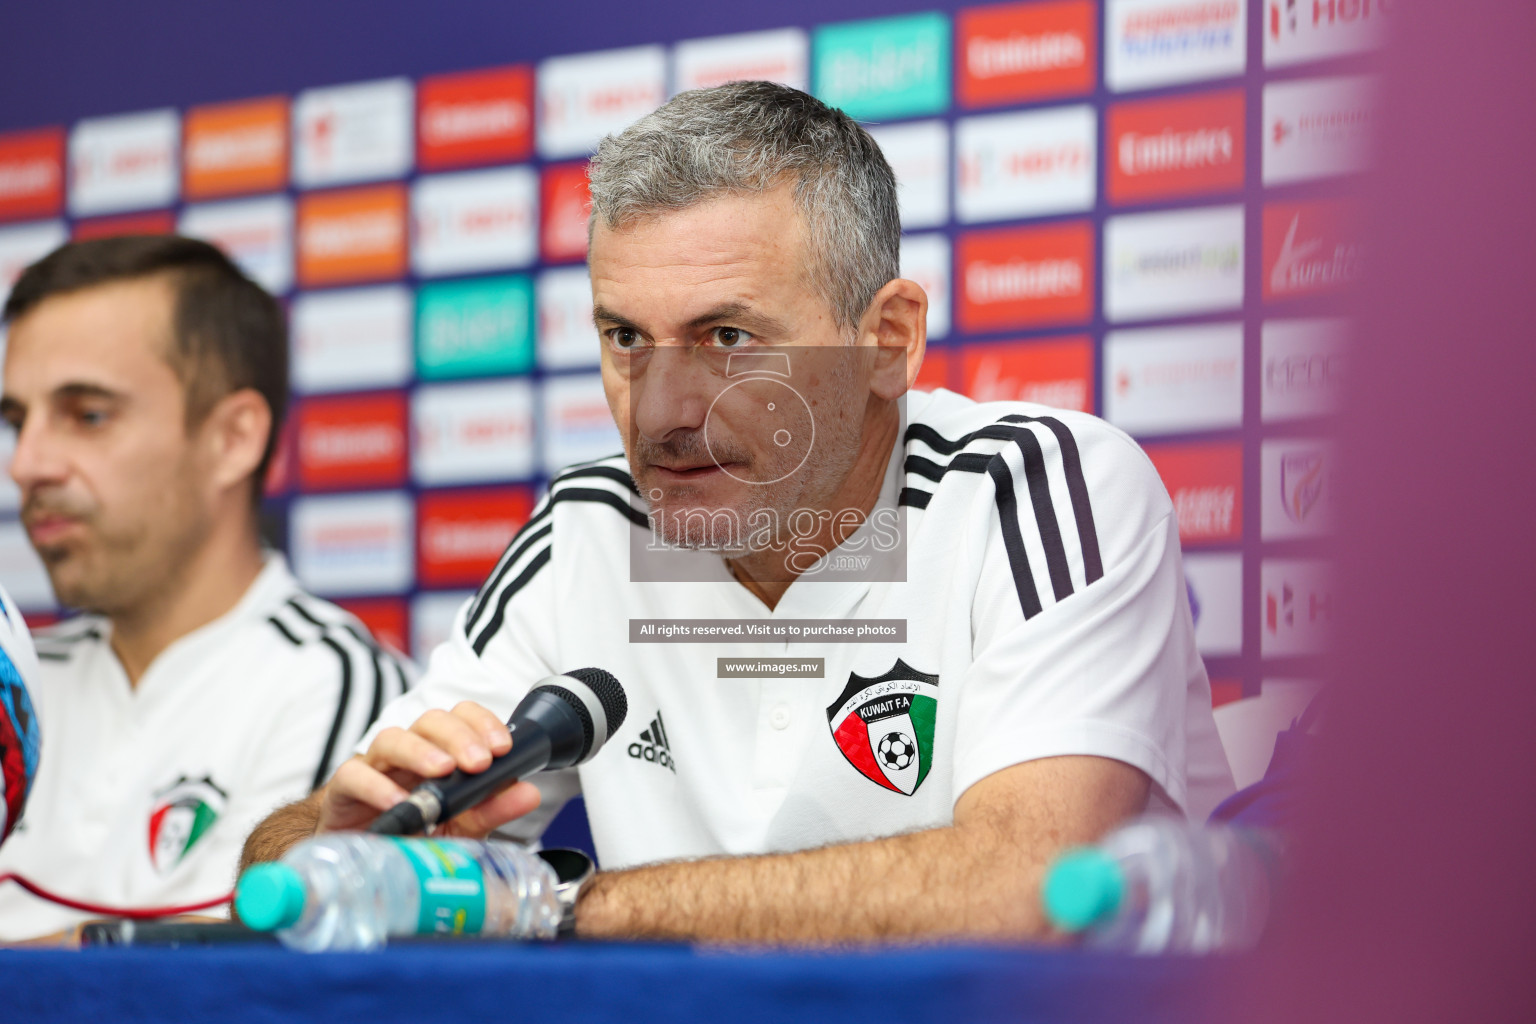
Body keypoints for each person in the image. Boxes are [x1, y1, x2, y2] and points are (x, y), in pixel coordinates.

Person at [244, 82, 1233, 944]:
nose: (666, 410)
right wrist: (350, 838)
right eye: (625, 336)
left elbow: (1030, 893)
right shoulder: (590, 527)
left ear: (886, 341)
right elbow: (292, 861)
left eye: (727, 336)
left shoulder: (1040, 484)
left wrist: (551, 907)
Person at [0, 236, 413, 941]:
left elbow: (227, 976)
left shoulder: (337, 687)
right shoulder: (21, 679)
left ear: (233, 439)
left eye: (87, 414)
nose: (27, 464)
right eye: (16, 422)